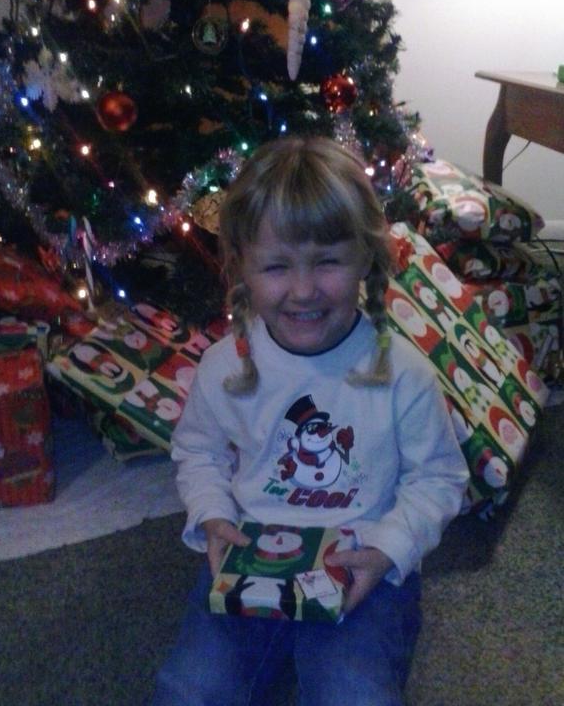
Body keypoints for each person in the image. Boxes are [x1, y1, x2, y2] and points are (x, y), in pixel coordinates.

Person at [151, 135, 469, 706]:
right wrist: (213, 515)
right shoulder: (225, 365)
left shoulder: (404, 374)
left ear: (365, 258)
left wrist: (389, 549)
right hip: (251, 555)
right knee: (187, 691)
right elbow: (198, 452)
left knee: (355, 695)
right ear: (241, 267)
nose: (302, 291)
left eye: (327, 262)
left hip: (364, 560)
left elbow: (439, 478)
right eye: (276, 266)